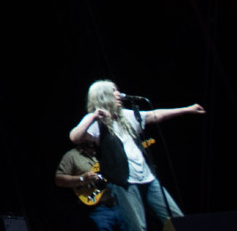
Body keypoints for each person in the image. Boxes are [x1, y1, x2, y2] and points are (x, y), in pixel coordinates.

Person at [69, 80, 207, 231]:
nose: (119, 94)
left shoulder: (126, 115)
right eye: (114, 91)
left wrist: (187, 109)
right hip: (124, 182)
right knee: (137, 227)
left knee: (177, 220)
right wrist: (93, 116)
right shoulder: (96, 122)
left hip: (148, 178)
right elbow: (75, 137)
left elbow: (154, 115)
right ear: (103, 96)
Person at [55, 141, 127, 231]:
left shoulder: (103, 149)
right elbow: (59, 180)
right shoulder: (71, 156)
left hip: (119, 202)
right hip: (97, 209)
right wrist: (82, 179)